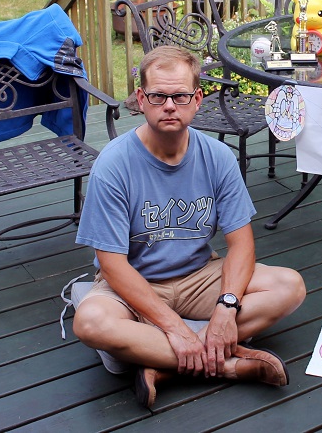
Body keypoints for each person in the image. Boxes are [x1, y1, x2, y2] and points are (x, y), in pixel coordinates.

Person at [73, 46, 306, 408]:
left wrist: (227, 308)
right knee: (91, 322)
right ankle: (226, 365)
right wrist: (175, 327)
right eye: (158, 96)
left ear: (196, 100)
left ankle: (162, 363)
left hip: (199, 275)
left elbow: (242, 244)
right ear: (141, 100)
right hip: (135, 283)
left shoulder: (217, 157)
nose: (169, 106)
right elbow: (113, 264)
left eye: (180, 96)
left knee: (289, 286)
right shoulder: (113, 164)